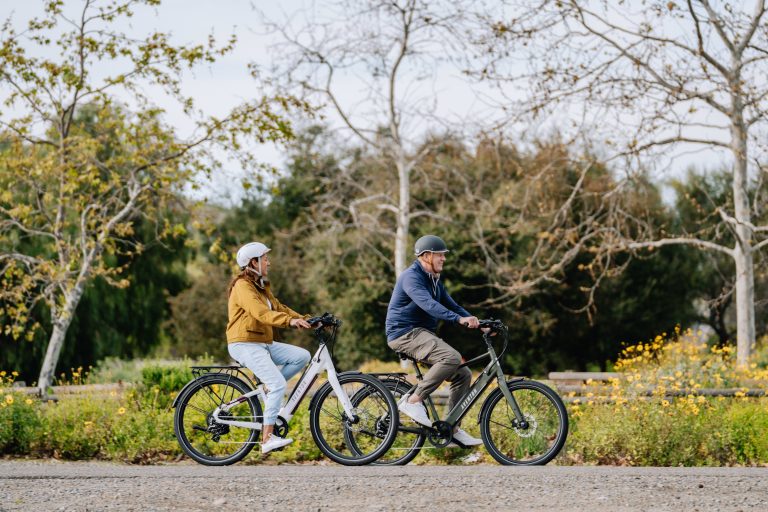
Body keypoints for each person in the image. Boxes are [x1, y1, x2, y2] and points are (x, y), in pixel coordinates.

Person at [385, 234, 482, 447]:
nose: (444, 259)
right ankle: (413, 400)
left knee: (463, 373)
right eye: (440, 255)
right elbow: (428, 305)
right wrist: (459, 320)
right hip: (404, 332)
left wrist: (480, 323)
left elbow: (453, 306)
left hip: (421, 334)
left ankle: (452, 428)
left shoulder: (435, 281)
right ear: (426, 256)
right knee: (451, 357)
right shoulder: (411, 277)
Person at [226, 242, 313, 454]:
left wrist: (306, 319)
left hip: (262, 343)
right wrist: (289, 322)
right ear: (253, 262)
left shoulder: (261, 286)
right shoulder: (242, 287)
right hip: (243, 343)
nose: (268, 262)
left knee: (302, 356)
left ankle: (269, 388)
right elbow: (260, 313)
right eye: (265, 259)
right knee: (278, 385)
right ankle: (266, 439)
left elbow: (279, 308)